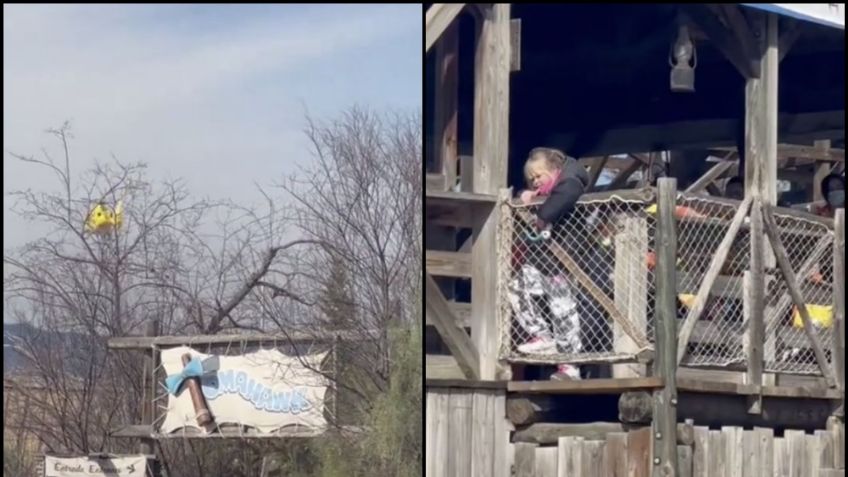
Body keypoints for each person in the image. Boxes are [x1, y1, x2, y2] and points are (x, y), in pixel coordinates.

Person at [508, 147, 590, 380]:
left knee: (562, 309)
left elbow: (566, 192)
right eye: (531, 178)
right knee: (517, 286)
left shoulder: (571, 179)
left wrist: (541, 217)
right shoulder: (546, 189)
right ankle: (542, 336)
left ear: (554, 170)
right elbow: (548, 193)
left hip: (564, 259)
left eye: (539, 176)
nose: (535, 182)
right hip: (542, 258)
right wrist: (532, 195)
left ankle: (569, 365)